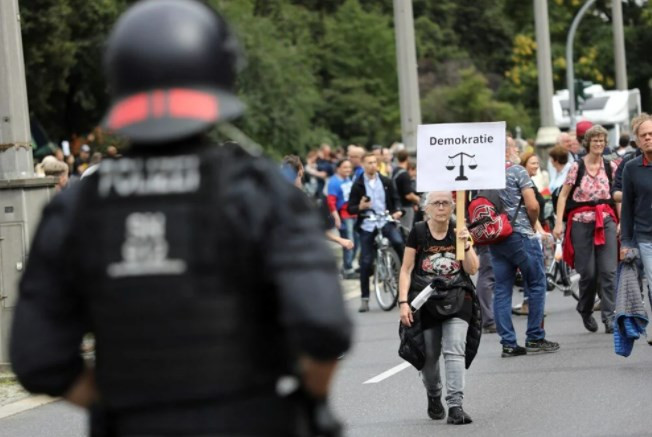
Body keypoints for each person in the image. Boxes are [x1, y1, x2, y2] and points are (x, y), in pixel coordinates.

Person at [10, 2, 352, 436]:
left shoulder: (77, 207)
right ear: (220, 78)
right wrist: (310, 403)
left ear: (118, 83)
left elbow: (37, 359)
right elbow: (324, 325)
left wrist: (118, 404)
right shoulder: (259, 191)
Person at [398, 191, 480, 425]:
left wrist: (466, 244)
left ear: (453, 207)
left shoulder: (459, 230)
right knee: (429, 356)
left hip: (457, 295)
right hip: (426, 299)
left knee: (454, 349)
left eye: (446, 203)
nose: (442, 207)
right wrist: (403, 302)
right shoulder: (419, 231)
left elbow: (472, 269)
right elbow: (406, 269)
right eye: (437, 203)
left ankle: (455, 405)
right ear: (427, 208)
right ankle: (434, 393)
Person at [489, 137, 559, 357]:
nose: (518, 150)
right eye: (514, 146)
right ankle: (535, 337)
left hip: (496, 236)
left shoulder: (484, 174)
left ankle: (508, 343)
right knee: (537, 283)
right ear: (506, 150)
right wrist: (532, 223)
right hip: (520, 234)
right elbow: (532, 204)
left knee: (502, 289)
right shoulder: (517, 171)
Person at [553, 124, 618, 334]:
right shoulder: (576, 167)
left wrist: (621, 222)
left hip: (605, 220)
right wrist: (557, 224)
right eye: (595, 140)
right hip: (581, 222)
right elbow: (563, 196)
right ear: (587, 143)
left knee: (608, 271)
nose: (598, 144)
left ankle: (610, 317)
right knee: (588, 273)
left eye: (601, 141)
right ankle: (585, 308)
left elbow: (617, 196)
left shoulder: (611, 167)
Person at [348, 152, 404, 312]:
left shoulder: (386, 181)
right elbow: (350, 207)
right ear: (364, 164)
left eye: (374, 162)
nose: (372, 165)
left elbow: (396, 200)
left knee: (399, 242)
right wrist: (360, 207)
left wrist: (398, 211)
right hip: (368, 223)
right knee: (365, 261)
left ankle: (405, 277)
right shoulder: (358, 184)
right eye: (369, 163)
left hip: (385, 220)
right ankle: (365, 298)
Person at [620, 113, 652, 336]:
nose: (648, 138)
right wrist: (626, 242)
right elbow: (628, 208)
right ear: (638, 141)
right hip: (646, 237)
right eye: (644, 135)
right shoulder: (631, 168)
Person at [326, 159, 357, 277]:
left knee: (355, 242)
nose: (348, 169)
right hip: (343, 216)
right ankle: (348, 270)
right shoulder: (334, 182)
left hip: (352, 214)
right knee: (348, 242)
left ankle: (347, 266)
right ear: (338, 168)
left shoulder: (348, 179)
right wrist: (337, 217)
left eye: (349, 167)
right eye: (345, 167)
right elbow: (331, 202)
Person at [393, 150, 420, 231]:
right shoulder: (404, 174)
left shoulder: (395, 171)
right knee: (406, 231)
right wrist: (418, 200)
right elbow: (408, 195)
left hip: (398, 206)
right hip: (406, 207)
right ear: (407, 158)